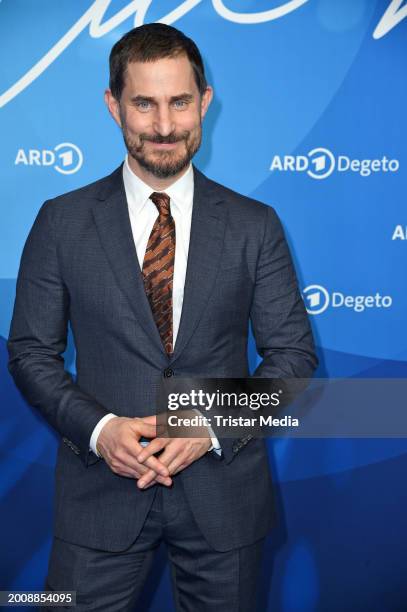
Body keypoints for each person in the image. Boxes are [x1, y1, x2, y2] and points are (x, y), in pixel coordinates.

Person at [7, 23, 317, 611]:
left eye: (179, 101)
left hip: (224, 497)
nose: (165, 126)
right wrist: (101, 432)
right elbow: (30, 353)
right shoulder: (61, 222)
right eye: (144, 103)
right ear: (113, 105)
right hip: (99, 494)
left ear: (204, 100)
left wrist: (207, 424)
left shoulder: (256, 225)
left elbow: (293, 357)